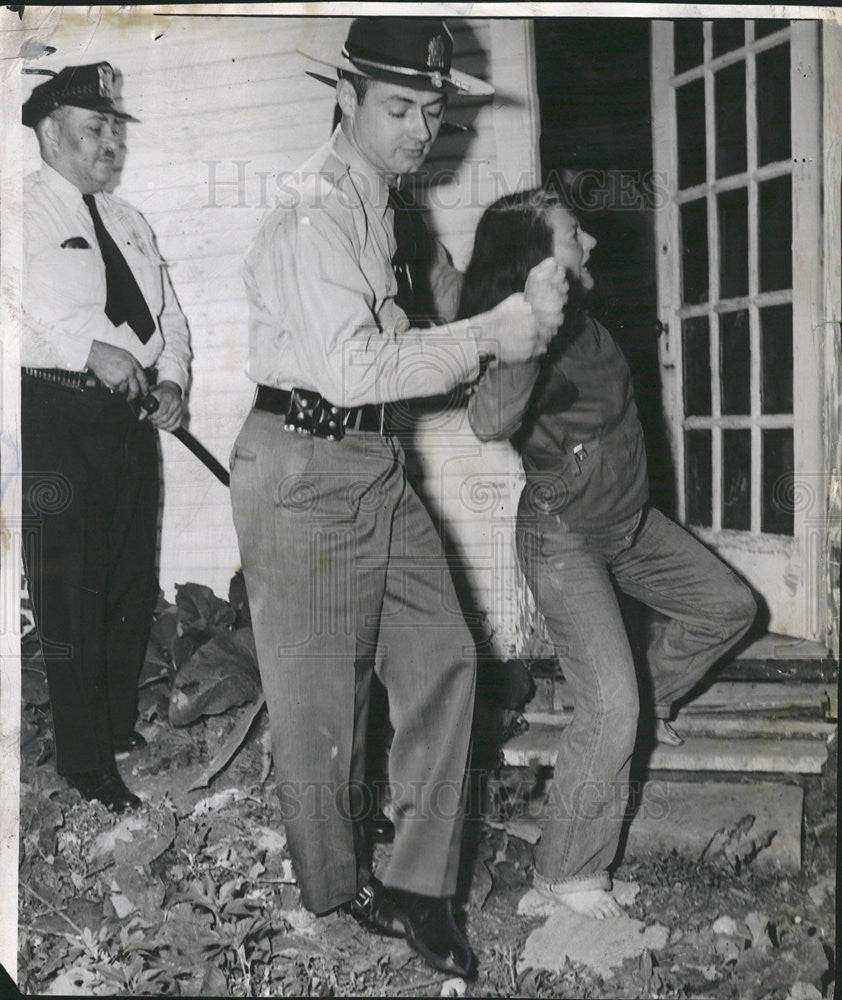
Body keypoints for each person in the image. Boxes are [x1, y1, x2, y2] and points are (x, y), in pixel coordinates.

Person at [230, 18, 566, 978]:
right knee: (322, 703)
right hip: (303, 463)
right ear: (346, 98)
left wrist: (492, 322)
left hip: (374, 463)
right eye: (401, 107)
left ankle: (423, 887)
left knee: (447, 658)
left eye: (433, 109)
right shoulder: (313, 213)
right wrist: (489, 336)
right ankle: (337, 887)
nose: (422, 128)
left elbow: (398, 335)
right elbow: (347, 367)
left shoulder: (384, 203)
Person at [464, 187, 757, 919]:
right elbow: (487, 419)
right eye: (572, 235)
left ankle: (638, 712)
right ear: (535, 264)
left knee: (728, 607)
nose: (589, 242)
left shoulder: (587, 321)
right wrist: (530, 322)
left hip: (628, 523)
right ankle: (563, 873)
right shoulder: (527, 337)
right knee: (610, 702)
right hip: (564, 538)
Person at [21, 63, 191, 812]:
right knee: (72, 588)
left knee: (127, 580)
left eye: (116, 128)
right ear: (51, 131)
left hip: (131, 417)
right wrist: (85, 350)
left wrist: (175, 380)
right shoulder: (18, 213)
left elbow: (171, 317)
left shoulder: (127, 220)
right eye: (95, 129)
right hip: (58, 414)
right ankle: (84, 761)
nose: (110, 143)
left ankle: (116, 727)